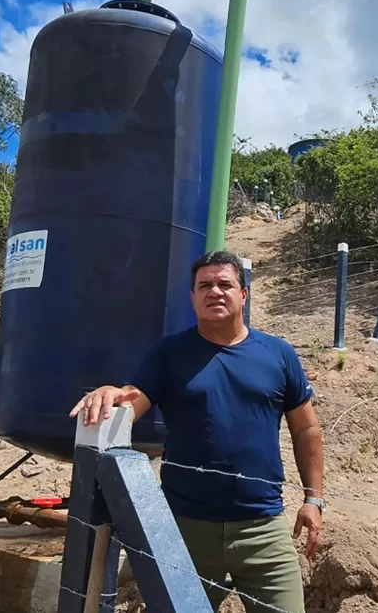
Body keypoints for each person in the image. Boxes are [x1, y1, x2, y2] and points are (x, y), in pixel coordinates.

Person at [70, 250, 323, 613]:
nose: (215, 292)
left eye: (225, 284)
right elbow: (132, 401)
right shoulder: (170, 354)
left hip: (263, 530)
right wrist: (111, 393)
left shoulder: (278, 354)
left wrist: (313, 500)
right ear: (192, 297)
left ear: (243, 294)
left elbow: (307, 429)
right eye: (204, 285)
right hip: (186, 532)